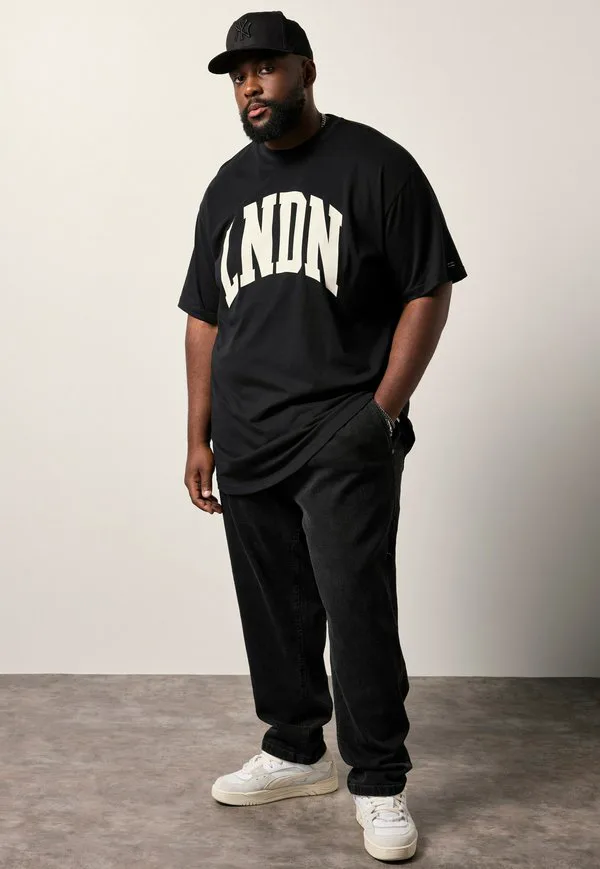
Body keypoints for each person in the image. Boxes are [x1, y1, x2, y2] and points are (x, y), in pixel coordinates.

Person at [177, 10, 467, 863]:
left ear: (305, 70)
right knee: (276, 608)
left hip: (342, 430)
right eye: (239, 77)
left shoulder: (377, 164)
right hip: (246, 434)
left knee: (357, 605)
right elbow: (204, 317)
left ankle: (378, 780)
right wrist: (197, 434)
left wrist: (383, 411)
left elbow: (428, 285)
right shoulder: (227, 185)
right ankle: (296, 750)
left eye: (265, 69)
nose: (251, 87)